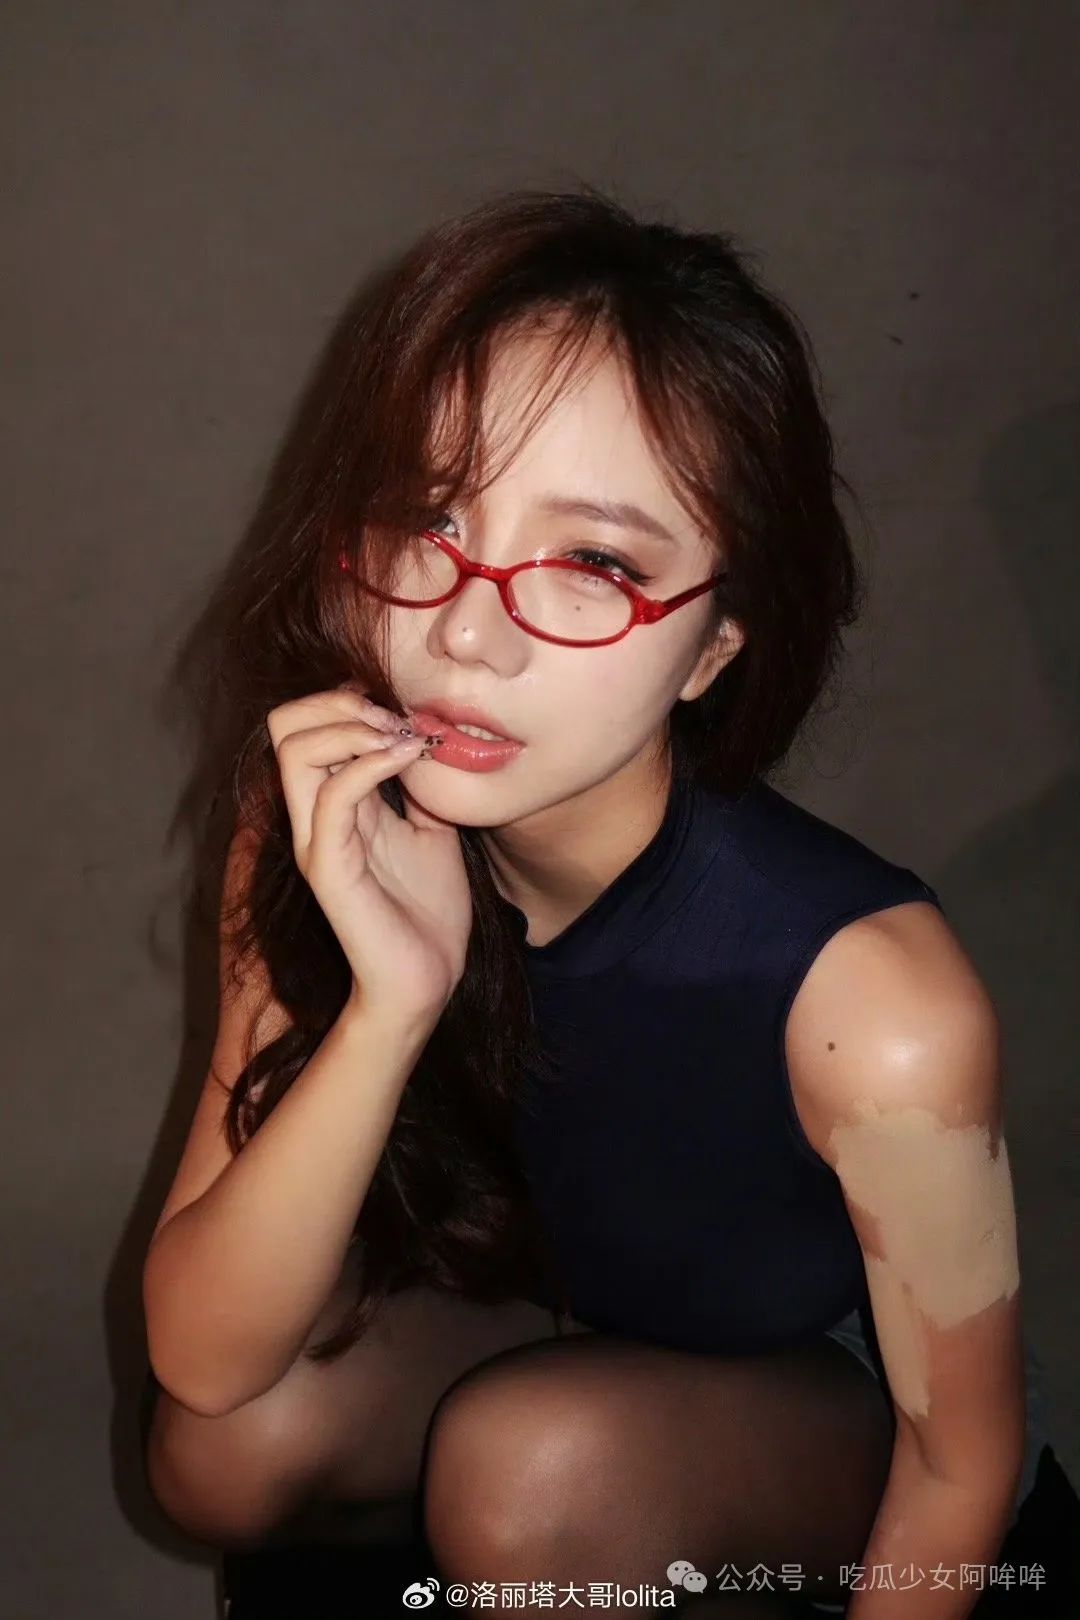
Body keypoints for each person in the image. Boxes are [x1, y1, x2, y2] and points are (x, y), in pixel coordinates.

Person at [141, 186, 1055, 1618]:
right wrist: (391, 1008)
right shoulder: (323, 819)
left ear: (716, 645)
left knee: (533, 1477)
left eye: (595, 564)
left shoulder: (875, 1000)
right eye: (432, 515)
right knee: (228, 1452)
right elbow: (202, 1364)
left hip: (837, 1409)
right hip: (562, 1320)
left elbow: (963, 1461)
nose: (466, 631)